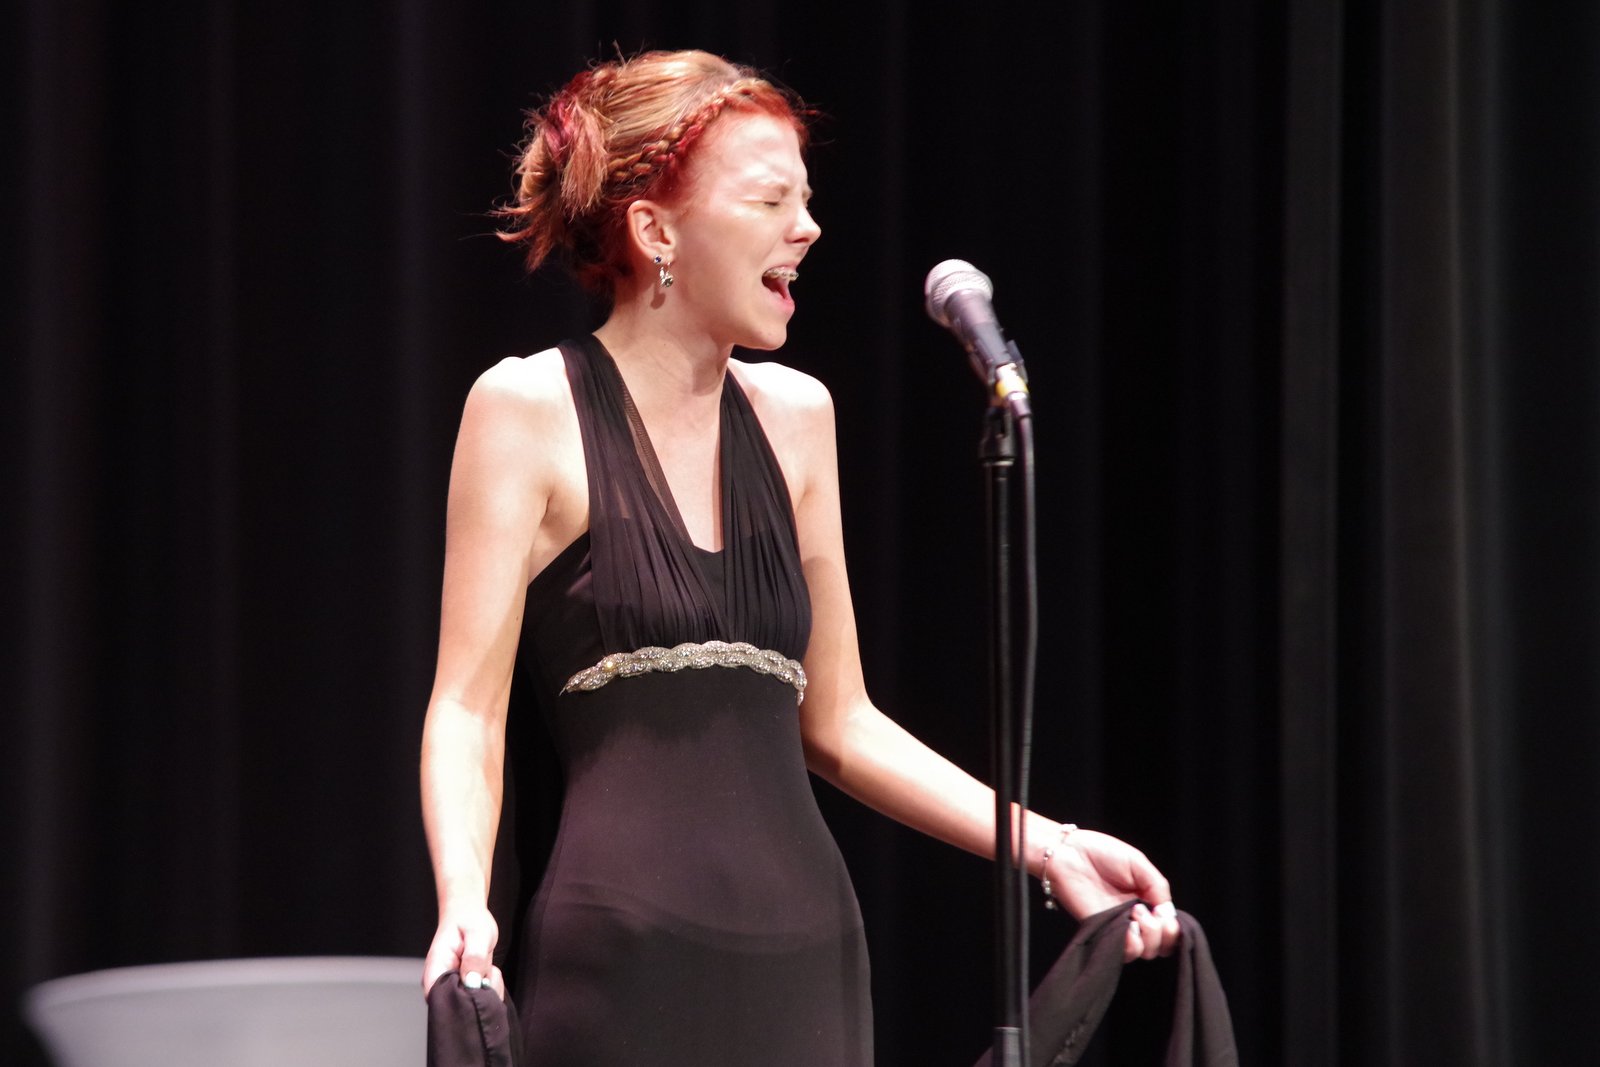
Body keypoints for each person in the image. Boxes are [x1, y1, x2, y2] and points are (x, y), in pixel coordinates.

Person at [419, 49, 1180, 1065]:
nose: (808, 227)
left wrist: (1048, 842)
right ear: (654, 232)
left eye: (806, 200)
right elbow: (465, 708)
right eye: (770, 199)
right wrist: (462, 899)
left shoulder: (798, 418)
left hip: (806, 953)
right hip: (619, 957)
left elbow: (840, 719)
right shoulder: (526, 408)